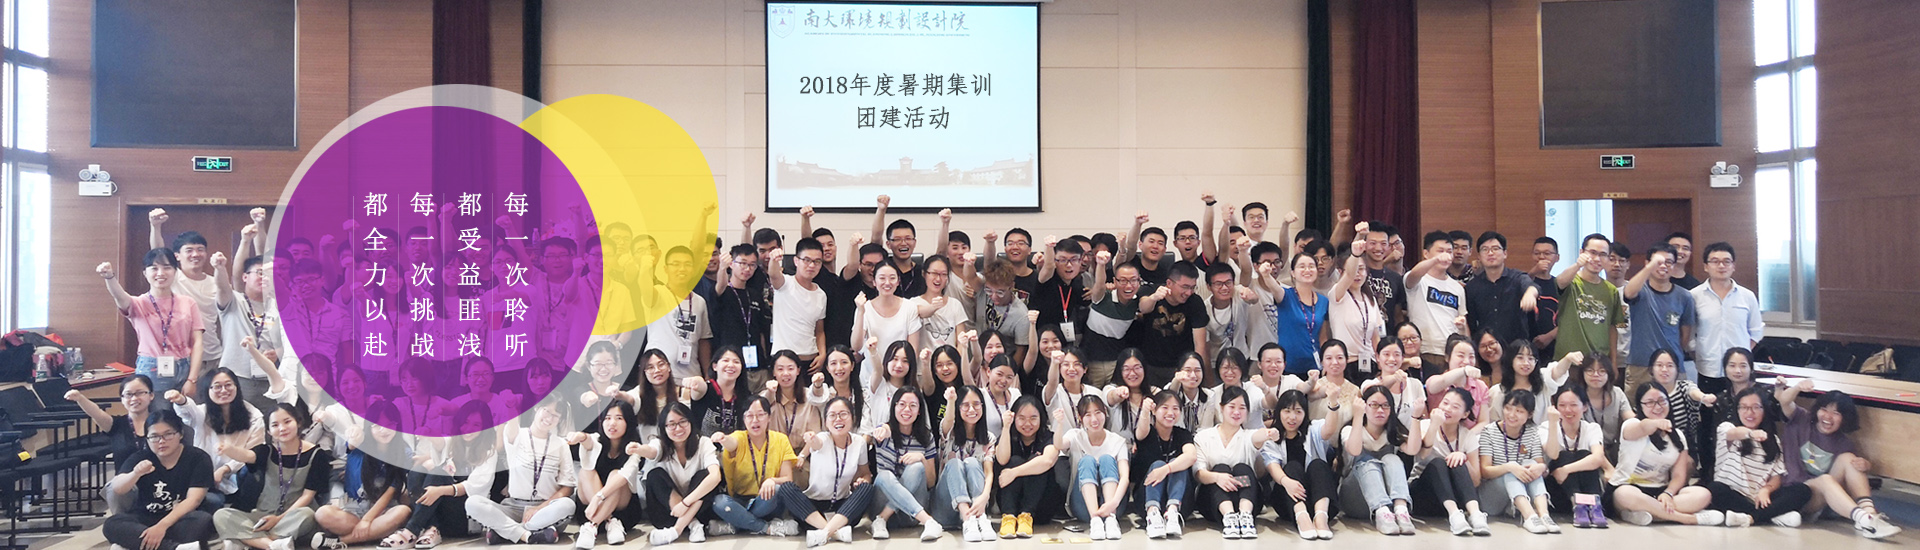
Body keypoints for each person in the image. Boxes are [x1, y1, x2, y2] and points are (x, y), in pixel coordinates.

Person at [1774, 382, 1902, 538]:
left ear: (1844, 418)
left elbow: (1848, 481)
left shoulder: (1844, 443)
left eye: (1836, 413)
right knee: (1826, 480)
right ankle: (1865, 520)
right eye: (1824, 409)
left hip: (1814, 497)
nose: (1828, 417)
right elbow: (1784, 401)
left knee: (1850, 459)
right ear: (1817, 410)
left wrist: (1865, 465)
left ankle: (1870, 514)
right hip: (1789, 492)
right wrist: (1798, 387)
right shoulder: (1801, 419)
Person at [211, 404, 331, 550]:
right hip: (262, 515)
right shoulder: (266, 451)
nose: (282, 428)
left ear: (298, 422)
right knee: (221, 515)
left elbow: (307, 496)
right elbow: (247, 455)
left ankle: (249, 541)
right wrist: (229, 449)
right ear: (269, 431)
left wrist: (278, 519)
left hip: (293, 516)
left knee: (307, 515)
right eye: (275, 425)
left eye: (287, 422)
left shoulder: (317, 455)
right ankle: (273, 545)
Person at [1608, 383, 1724, 527]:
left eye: (1662, 401)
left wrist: (1668, 493)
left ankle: (1646, 514)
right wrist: (1656, 423)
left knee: (1703, 494)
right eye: (1650, 402)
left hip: (1660, 492)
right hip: (1628, 487)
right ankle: (1687, 518)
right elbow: (1643, 427)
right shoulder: (1631, 424)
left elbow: (1679, 475)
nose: (1657, 407)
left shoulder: (1678, 436)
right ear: (1640, 406)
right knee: (1624, 495)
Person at [464, 399, 578, 544]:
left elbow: (568, 488)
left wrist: (539, 508)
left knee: (568, 505)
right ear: (536, 408)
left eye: (555, 415)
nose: (549, 418)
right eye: (547, 411)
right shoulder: (518, 436)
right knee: (473, 503)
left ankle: (507, 531)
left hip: (544, 509)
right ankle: (529, 534)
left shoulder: (561, 444)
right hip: (513, 507)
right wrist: (512, 406)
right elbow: (512, 421)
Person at [100, 250, 207, 399]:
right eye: (154, 268)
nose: (160, 273)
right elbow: (119, 296)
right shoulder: (138, 303)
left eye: (167, 267)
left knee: (186, 412)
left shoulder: (188, 302)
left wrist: (192, 379)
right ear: (145, 273)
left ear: (175, 272)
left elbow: (198, 343)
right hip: (152, 368)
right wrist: (109, 277)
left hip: (185, 367)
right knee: (157, 412)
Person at [103, 410, 216, 550]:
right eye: (154, 437)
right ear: (147, 439)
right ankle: (174, 548)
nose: (161, 441)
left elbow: (194, 500)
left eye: (168, 434)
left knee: (202, 521)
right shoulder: (141, 457)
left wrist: (161, 526)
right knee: (112, 524)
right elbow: (118, 488)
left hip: (180, 517)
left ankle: (138, 544)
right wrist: (136, 473)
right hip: (146, 517)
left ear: (180, 434)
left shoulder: (198, 458)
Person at [311, 402, 412, 550]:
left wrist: (367, 520)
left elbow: (391, 491)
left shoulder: (403, 451)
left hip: (383, 510)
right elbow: (351, 442)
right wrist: (354, 431)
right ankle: (377, 533)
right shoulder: (360, 444)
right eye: (377, 425)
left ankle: (340, 541)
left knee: (403, 511)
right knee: (322, 513)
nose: (384, 430)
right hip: (354, 510)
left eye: (390, 424)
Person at [1709, 386, 1814, 527]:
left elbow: (1777, 476)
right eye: (1744, 407)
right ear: (1737, 410)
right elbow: (1733, 433)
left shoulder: (1773, 440)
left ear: (1764, 410)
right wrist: (1751, 434)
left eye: (1756, 407)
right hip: (1734, 494)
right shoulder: (1726, 428)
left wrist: (1766, 490)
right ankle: (1773, 516)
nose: (1749, 413)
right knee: (1715, 489)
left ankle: (1751, 517)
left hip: (1761, 497)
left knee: (1803, 490)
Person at [163, 367, 264, 509]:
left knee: (255, 470)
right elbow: (188, 411)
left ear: (237, 387)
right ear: (208, 390)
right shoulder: (202, 412)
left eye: (228, 385)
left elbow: (255, 452)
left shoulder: (254, 415)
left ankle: (244, 509)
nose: (223, 390)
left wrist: (225, 469)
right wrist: (181, 400)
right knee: (214, 501)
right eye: (217, 386)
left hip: (238, 474)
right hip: (205, 477)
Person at [707, 396, 806, 537]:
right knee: (719, 502)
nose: (755, 420)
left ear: (769, 417)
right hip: (740, 500)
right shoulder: (739, 436)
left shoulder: (781, 440)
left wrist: (772, 480)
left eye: (760, 415)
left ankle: (736, 523)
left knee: (777, 489)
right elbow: (731, 443)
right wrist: (723, 439)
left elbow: (787, 479)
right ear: (743, 419)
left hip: (767, 501)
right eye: (749, 416)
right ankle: (766, 528)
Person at [1195, 386, 1280, 540]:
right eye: (1232, 406)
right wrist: (1218, 478)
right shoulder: (1203, 436)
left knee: (1242, 468)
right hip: (1213, 501)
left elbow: (1258, 436)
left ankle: (1245, 517)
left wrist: (1269, 433)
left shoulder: (1248, 436)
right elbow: (1199, 473)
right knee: (1220, 468)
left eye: (1242, 408)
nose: (1236, 412)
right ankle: (1229, 518)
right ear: (1222, 408)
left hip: (1245, 498)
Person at [635, 403, 724, 546]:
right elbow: (651, 451)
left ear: (690, 421)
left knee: (705, 475)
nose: (678, 428)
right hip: (668, 515)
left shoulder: (703, 443)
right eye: (672, 424)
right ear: (664, 428)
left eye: (683, 422)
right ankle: (692, 524)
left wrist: (685, 503)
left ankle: (677, 530)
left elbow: (716, 476)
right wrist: (639, 449)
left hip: (700, 511)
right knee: (654, 475)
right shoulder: (660, 444)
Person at [797, 397, 880, 548]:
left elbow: (866, 473)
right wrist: (811, 439)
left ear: (852, 418)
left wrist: (863, 481)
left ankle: (823, 533)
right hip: (814, 508)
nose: (838, 419)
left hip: (844, 508)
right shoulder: (822, 438)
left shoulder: (859, 442)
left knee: (867, 488)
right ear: (826, 421)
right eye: (832, 415)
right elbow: (815, 443)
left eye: (843, 414)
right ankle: (834, 533)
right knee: (787, 489)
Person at [866, 389, 946, 541]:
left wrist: (922, 459)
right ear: (894, 407)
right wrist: (884, 430)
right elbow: (882, 430)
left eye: (913, 405)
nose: (907, 410)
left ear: (919, 411)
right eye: (902, 404)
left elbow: (930, 483)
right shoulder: (884, 432)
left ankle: (882, 518)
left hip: (910, 515)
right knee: (885, 476)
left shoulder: (926, 436)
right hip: (882, 503)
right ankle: (928, 521)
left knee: (917, 467)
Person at [1340, 386, 1421, 536]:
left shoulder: (1392, 432)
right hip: (1355, 498)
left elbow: (1413, 450)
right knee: (1367, 462)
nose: (1380, 410)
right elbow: (1355, 451)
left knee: (1392, 458)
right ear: (1365, 406)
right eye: (1374, 405)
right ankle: (1381, 511)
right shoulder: (1350, 430)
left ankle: (1401, 509)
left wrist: (1416, 417)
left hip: (1390, 503)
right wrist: (1358, 416)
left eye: (1385, 406)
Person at [1262, 390, 1341, 540]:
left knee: (1318, 464)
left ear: (1305, 413)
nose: (1292, 417)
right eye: (1287, 411)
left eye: (1298, 412)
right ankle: (1302, 518)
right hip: (1288, 502)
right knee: (1292, 467)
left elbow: (1329, 430)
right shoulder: (1272, 436)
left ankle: (1321, 518)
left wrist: (1333, 403)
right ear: (1279, 412)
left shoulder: (1313, 429)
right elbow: (1272, 466)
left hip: (1319, 498)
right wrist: (1287, 482)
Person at [1478, 390, 1559, 534]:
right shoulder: (1489, 431)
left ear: (1530, 414)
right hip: (1492, 498)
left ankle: (1544, 515)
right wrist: (1510, 467)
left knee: (1532, 464)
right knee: (1512, 470)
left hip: (1521, 497)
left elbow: (1539, 465)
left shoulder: (1532, 432)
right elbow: (1485, 471)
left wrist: (1541, 467)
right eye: (1508, 408)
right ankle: (1529, 517)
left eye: (1519, 411)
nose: (1512, 414)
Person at [1690, 242, 1764, 397]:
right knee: (1709, 409)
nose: (1721, 266)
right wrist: (1698, 353)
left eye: (1726, 261)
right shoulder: (1694, 296)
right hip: (1708, 368)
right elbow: (1689, 333)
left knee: (1742, 407)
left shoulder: (1747, 296)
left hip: (1739, 372)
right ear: (1706, 266)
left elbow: (1756, 332)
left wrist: (1741, 355)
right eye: (1715, 261)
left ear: (1733, 266)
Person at [571, 402, 647, 548]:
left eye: (619, 418)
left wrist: (598, 498)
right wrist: (581, 436)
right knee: (585, 471)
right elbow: (588, 440)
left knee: (616, 475)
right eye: (607, 418)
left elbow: (625, 475)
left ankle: (592, 526)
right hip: (590, 509)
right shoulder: (597, 440)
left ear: (628, 422)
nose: (612, 423)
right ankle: (608, 520)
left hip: (622, 513)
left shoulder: (633, 447)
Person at [1054, 395, 1131, 540]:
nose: (1094, 419)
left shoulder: (1117, 441)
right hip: (1082, 506)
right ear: (1080, 418)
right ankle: (1095, 521)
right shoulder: (1075, 436)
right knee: (1087, 461)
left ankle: (1111, 521)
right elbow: (1058, 445)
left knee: (1107, 459)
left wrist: (1113, 504)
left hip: (1114, 506)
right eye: (1088, 415)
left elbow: (1125, 477)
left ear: (1105, 413)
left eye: (1098, 413)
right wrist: (1059, 424)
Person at [1622, 243, 1696, 390]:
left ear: (1674, 266)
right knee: (1636, 404)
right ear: (1647, 263)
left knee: (1675, 404)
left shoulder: (1684, 296)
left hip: (1673, 365)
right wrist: (1650, 267)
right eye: (1658, 262)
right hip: (1640, 364)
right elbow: (1628, 293)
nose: (1663, 266)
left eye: (1668, 262)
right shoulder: (1640, 290)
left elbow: (1685, 336)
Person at [1415, 388, 1488, 536]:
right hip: (1424, 495)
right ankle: (1454, 515)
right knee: (1439, 463)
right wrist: (1434, 425)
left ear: (1465, 414)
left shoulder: (1468, 436)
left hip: (1455, 497)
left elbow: (1476, 481)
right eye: (1445, 403)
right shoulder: (1424, 425)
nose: (1447, 409)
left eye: (1455, 407)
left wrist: (1463, 458)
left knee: (1458, 461)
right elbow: (1423, 454)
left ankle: (1475, 515)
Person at [1081, 252, 1159, 387]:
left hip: (1116, 361)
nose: (1128, 286)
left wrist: (1154, 297)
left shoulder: (1136, 300)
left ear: (1139, 281)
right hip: (1092, 361)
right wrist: (1101, 264)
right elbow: (1099, 284)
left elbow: (1145, 307)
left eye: (1133, 280)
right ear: (1115, 281)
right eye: (1123, 280)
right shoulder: (1103, 295)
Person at [1127, 261, 1209, 387]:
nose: (1188, 292)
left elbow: (1200, 344)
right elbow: (1143, 308)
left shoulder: (1195, 302)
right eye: (1185, 287)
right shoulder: (1151, 291)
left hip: (1180, 367)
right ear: (1169, 283)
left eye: (1192, 287)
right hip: (1150, 365)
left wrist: (1197, 373)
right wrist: (1154, 298)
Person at [1128, 390, 1195, 539]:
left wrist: (1166, 469)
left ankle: (1172, 513)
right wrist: (1145, 410)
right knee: (1157, 464)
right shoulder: (1146, 433)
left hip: (1180, 501)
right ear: (1154, 410)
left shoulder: (1183, 434)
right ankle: (1153, 515)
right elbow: (1141, 430)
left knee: (1177, 463)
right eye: (1165, 407)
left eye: (1175, 408)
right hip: (1146, 498)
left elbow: (1191, 456)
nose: (1170, 413)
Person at [1541, 387, 1610, 528]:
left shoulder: (1592, 428)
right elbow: (1553, 454)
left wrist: (1566, 470)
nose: (1567, 410)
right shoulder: (1546, 427)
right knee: (1564, 455)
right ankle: (1578, 505)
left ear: (1584, 407)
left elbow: (1598, 458)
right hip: (1558, 491)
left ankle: (1594, 506)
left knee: (1585, 455)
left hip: (1585, 487)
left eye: (1573, 405)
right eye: (1562, 405)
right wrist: (1553, 423)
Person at [935, 386, 995, 542]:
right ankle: (967, 518)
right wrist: (951, 401)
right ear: (958, 408)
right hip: (946, 509)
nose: (971, 409)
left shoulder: (989, 438)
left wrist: (985, 496)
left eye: (976, 404)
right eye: (965, 405)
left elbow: (988, 472)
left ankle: (980, 518)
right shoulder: (950, 431)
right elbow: (949, 420)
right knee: (954, 463)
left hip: (977, 506)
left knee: (972, 462)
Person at [993, 395, 1057, 539]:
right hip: (1011, 504)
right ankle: (1009, 518)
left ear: (1041, 418)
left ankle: (1026, 516)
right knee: (1014, 460)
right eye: (1021, 418)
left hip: (1040, 507)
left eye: (1033, 418)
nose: (1027, 423)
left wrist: (1014, 472)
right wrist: (1006, 427)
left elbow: (1047, 461)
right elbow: (1002, 460)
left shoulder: (1048, 436)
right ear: (1014, 418)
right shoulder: (1008, 436)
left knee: (1037, 461)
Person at [1554, 234, 1625, 362]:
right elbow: (1560, 282)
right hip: (1568, 360)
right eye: (1592, 253)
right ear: (1582, 252)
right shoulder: (1572, 282)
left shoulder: (1611, 290)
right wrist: (1577, 265)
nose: (1597, 259)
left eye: (1603, 254)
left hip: (1599, 362)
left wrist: (1613, 362)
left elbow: (1612, 328)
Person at [852, 262, 924, 386]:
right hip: (871, 378)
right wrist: (860, 312)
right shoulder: (865, 308)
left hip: (899, 378)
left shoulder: (909, 307)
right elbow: (856, 346)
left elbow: (913, 351)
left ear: (898, 281)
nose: (887, 283)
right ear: (874, 282)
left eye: (892, 278)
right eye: (882, 278)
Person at [646, 247, 714, 379]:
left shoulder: (699, 302)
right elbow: (644, 287)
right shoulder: (657, 293)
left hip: (691, 375)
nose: (682, 269)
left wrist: (707, 373)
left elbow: (703, 340)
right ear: (666, 269)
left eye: (687, 264)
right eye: (676, 264)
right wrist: (645, 268)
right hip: (660, 375)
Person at [1465, 232, 1540, 348]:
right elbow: (1472, 323)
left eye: (1495, 248)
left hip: (1516, 348)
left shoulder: (1517, 277)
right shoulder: (1472, 287)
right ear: (1479, 256)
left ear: (1505, 253)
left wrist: (1530, 294)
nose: (1490, 253)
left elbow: (1532, 286)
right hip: (1487, 350)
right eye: (1485, 249)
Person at [1405, 232, 1469, 366]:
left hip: (1450, 352)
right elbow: (1413, 275)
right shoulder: (1418, 280)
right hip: (1424, 350)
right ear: (1426, 253)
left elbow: (1463, 320)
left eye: (1449, 251)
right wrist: (1435, 260)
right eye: (1440, 251)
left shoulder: (1457, 288)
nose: (1445, 255)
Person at [1328, 229, 1384, 381]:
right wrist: (1355, 254)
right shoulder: (1337, 294)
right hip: (1346, 363)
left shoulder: (1369, 299)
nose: (1357, 274)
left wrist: (1380, 360)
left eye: (1362, 269)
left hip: (1369, 362)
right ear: (1341, 272)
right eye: (1354, 270)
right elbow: (1349, 275)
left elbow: (1375, 336)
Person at [768, 240, 830, 373]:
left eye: (817, 261)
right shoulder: (785, 283)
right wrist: (774, 260)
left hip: (810, 360)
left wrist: (822, 354)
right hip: (784, 360)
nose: (812, 265)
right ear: (796, 261)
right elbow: (773, 274)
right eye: (806, 260)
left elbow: (819, 330)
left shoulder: (821, 294)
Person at [1485, 342, 1578, 425]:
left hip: (1543, 436)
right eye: (1520, 358)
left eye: (1531, 358)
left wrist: (1567, 359)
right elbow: (1494, 422)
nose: (1526, 363)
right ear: (1510, 360)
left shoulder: (1543, 380)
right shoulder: (1498, 391)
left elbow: (1558, 371)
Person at [1572, 354, 1634, 459]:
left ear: (1608, 373)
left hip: (1613, 448)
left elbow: (1630, 418)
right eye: (1590, 370)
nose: (1596, 375)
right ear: (1582, 373)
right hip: (1585, 450)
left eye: (1602, 371)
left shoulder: (1616, 393)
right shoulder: (1575, 396)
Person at [1424, 335, 1489, 428]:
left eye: (1471, 356)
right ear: (1447, 358)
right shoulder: (1436, 380)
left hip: (1469, 434)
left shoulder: (1481, 386)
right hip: (1437, 434)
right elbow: (1438, 384)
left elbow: (1484, 421)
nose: (1467, 361)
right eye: (1461, 356)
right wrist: (1463, 370)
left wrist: (1466, 436)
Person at [912, 255, 972, 351]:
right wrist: (932, 307)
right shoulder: (913, 303)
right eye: (934, 273)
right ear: (924, 274)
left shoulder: (955, 304)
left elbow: (961, 343)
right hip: (924, 359)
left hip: (950, 359)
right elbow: (919, 311)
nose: (938, 279)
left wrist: (958, 359)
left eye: (943, 274)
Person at [689, 347, 754, 436]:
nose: (731, 365)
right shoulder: (705, 389)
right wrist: (696, 381)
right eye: (725, 360)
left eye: (736, 362)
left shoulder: (745, 395)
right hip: (704, 444)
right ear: (714, 366)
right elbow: (699, 387)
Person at [1526, 237, 1563, 353]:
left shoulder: (1560, 284)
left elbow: (1569, 318)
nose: (1541, 257)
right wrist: (1534, 271)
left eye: (1547, 253)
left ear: (1557, 258)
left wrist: (1550, 336)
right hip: (1527, 345)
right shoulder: (1523, 280)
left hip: (1556, 346)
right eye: (1537, 253)